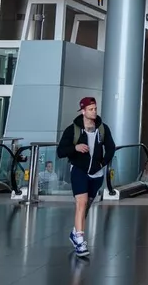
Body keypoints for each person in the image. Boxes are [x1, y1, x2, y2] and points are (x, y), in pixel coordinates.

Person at [57, 97, 115, 257]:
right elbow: (60, 151)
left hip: (97, 173)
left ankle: (75, 232)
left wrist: (102, 163)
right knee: (81, 202)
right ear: (83, 111)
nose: (94, 111)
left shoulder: (102, 129)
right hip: (79, 170)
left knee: (87, 205)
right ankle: (80, 240)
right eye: (91, 109)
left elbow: (111, 148)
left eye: (95, 108)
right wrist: (74, 147)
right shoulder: (73, 130)